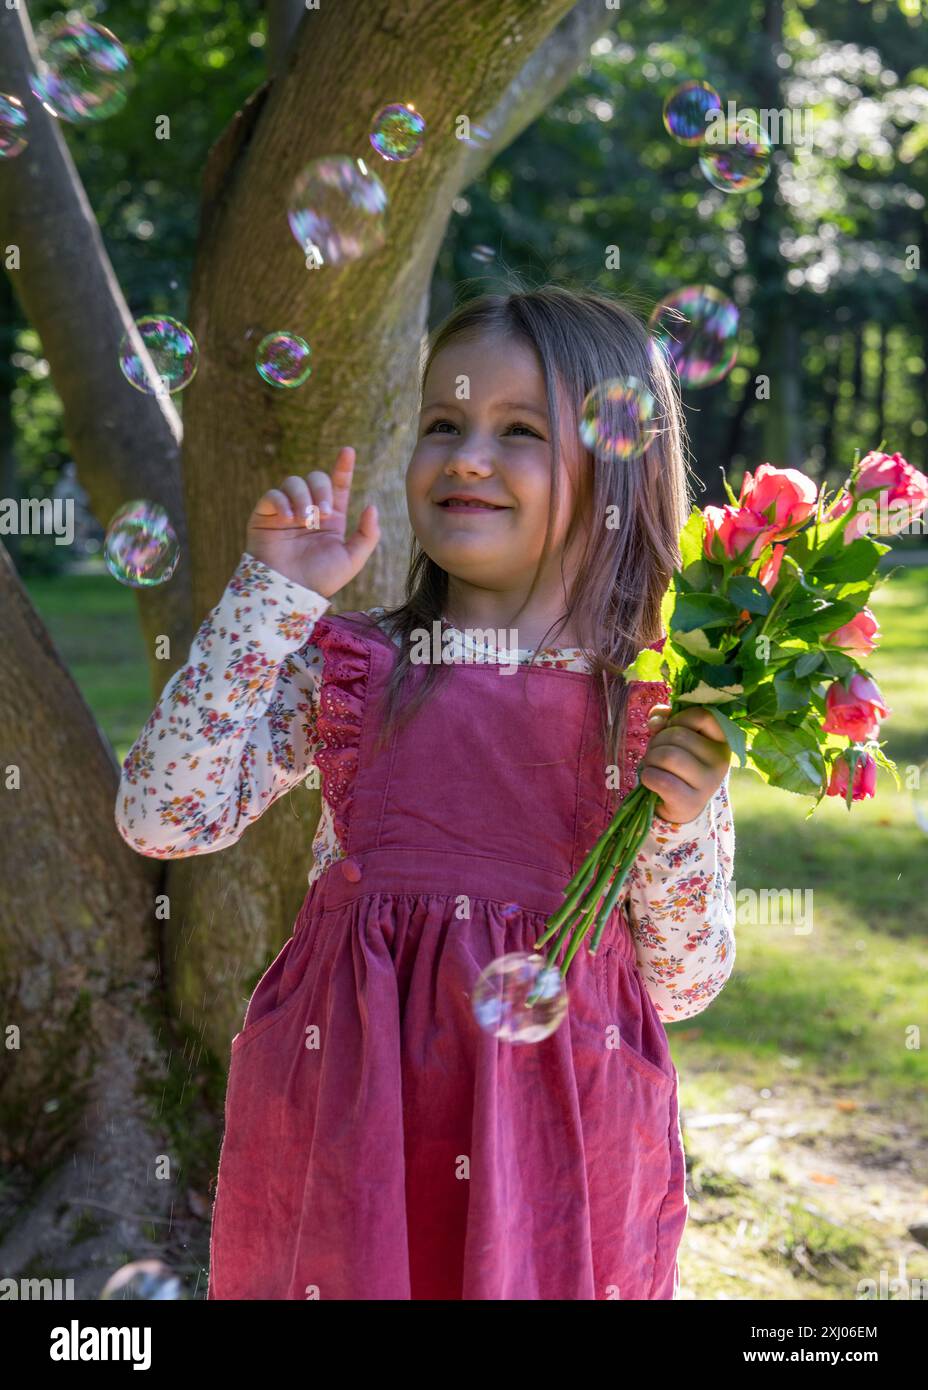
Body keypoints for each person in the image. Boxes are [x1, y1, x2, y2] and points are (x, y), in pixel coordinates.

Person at [115, 284, 736, 1300]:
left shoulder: (657, 707)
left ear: (622, 467)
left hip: (561, 1138)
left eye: (519, 430)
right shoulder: (354, 665)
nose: (468, 455)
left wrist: (679, 816)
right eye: (443, 423)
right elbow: (161, 812)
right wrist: (271, 597)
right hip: (351, 1114)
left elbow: (681, 982)